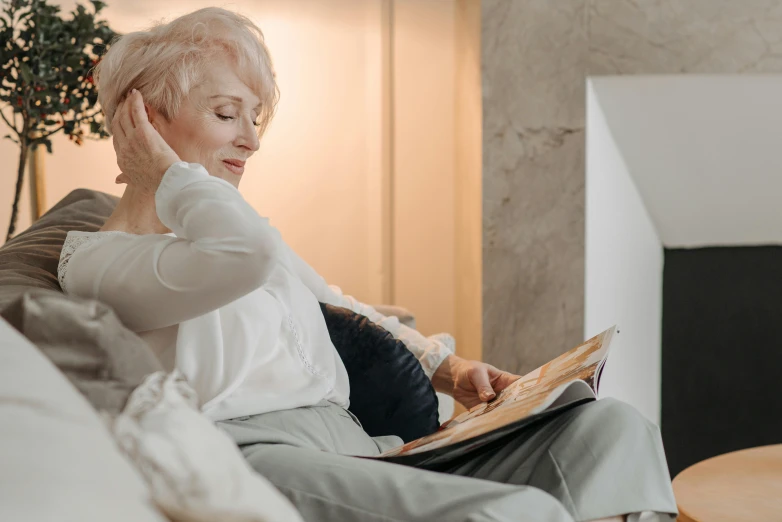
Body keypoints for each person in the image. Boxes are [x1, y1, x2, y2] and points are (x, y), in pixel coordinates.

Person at [57, 8, 677, 522]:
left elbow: (336, 301)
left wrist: (451, 370)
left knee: (613, 431)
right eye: (227, 114)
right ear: (145, 118)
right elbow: (246, 254)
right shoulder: (101, 263)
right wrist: (168, 176)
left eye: (254, 116)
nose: (251, 138)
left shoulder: (236, 233)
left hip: (364, 447)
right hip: (263, 460)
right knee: (512, 514)